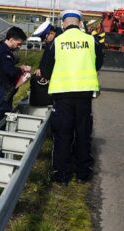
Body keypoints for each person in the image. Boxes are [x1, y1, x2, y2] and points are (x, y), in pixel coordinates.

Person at [40, 10, 103, 185]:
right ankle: (82, 174)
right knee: (83, 133)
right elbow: (98, 62)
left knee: (62, 134)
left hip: (62, 95)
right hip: (84, 94)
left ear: (63, 24)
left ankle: (62, 176)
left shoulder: (57, 42)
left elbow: (45, 69)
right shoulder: (91, 41)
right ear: (81, 24)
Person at [0, 26, 30, 126]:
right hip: (3, 91)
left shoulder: (1, 50)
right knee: (2, 119)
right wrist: (22, 70)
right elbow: (10, 71)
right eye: (18, 44)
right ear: (11, 39)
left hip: (1, 89)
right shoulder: (4, 52)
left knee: (1, 116)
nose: (19, 47)